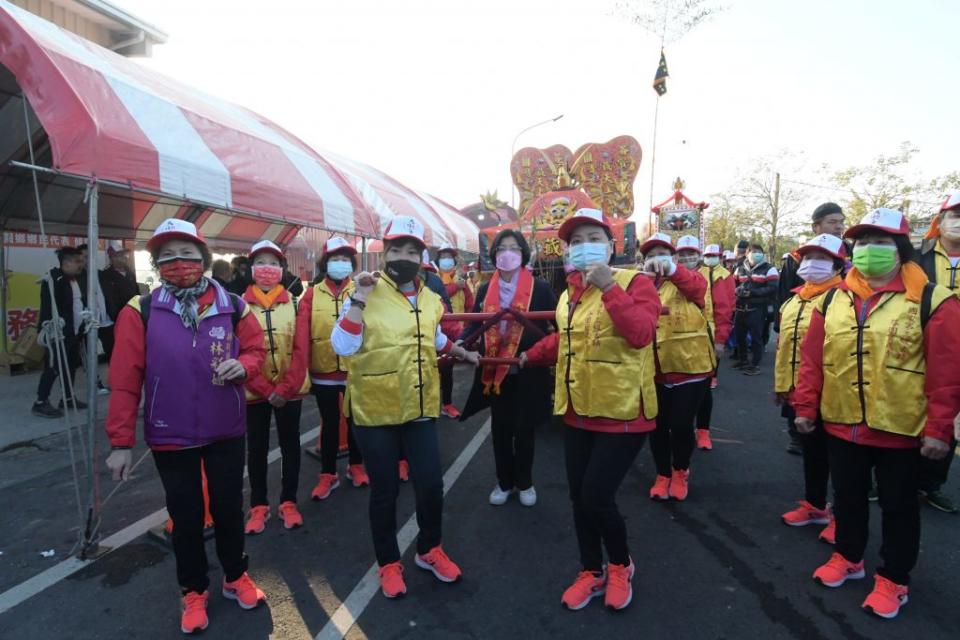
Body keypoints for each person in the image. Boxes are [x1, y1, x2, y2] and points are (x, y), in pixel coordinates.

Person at [792, 208, 960, 620]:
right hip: (842, 421)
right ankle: (849, 556)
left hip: (902, 427)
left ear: (900, 248)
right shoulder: (832, 297)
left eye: (881, 242)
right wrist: (805, 406)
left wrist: (940, 429)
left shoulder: (935, 300)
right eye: (862, 242)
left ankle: (894, 578)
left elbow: (948, 371)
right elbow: (813, 359)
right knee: (847, 496)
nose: (869, 250)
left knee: (898, 505)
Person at [104, 219, 268, 634]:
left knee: (230, 508)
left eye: (187, 255)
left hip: (225, 428)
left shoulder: (234, 305)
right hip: (170, 432)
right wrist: (120, 442)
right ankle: (193, 590)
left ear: (204, 259)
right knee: (187, 515)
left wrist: (244, 366)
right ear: (157, 264)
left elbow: (255, 349)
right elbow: (125, 378)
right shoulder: (139, 310)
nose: (179, 264)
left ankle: (235, 576)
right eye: (168, 257)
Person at [331, 216, 479, 599]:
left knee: (431, 484)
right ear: (385, 253)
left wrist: (458, 350)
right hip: (375, 410)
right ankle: (388, 562)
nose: (403, 256)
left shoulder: (431, 298)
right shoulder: (362, 290)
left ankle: (429, 548)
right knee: (385, 492)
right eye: (396, 249)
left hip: (419, 406)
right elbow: (342, 347)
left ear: (421, 255)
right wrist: (360, 299)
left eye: (412, 250)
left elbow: (434, 335)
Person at [521, 208, 661, 611]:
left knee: (597, 495)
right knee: (578, 498)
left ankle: (619, 565)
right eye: (575, 241)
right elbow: (567, 341)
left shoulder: (637, 283)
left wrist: (609, 288)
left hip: (624, 411)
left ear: (612, 246)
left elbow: (640, 334)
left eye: (592, 239)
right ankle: (590, 569)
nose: (584, 247)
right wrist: (531, 355)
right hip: (578, 408)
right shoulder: (569, 294)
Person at [460, 229, 556, 507]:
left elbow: (554, 328)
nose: (508, 253)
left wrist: (539, 352)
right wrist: (461, 344)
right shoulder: (482, 289)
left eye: (514, 248)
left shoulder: (540, 288)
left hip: (527, 369)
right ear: (494, 255)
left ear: (523, 254)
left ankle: (524, 482)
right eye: (502, 248)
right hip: (494, 372)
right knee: (500, 431)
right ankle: (504, 482)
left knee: (525, 430)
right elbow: (474, 325)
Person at [774, 234, 846, 545]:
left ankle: (843, 516)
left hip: (834, 393)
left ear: (838, 265)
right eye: (807, 258)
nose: (811, 264)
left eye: (821, 258)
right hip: (798, 392)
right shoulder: (793, 300)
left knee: (842, 462)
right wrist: (781, 386)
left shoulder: (845, 300)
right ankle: (815, 505)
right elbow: (783, 347)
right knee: (812, 453)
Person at [242, 240, 311, 534]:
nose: (267, 268)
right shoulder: (237, 306)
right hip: (253, 392)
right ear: (251, 268)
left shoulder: (296, 302)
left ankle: (289, 501)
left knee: (290, 446)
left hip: (290, 391)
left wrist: (283, 389)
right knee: (256, 449)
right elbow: (238, 351)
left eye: (273, 262)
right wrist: (263, 388)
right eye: (261, 262)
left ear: (282, 268)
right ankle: (258, 505)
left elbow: (301, 350)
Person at [641, 234, 716, 501]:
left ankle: (680, 470)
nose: (656, 259)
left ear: (673, 258)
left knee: (681, 424)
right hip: (654, 368)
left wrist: (672, 270)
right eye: (651, 255)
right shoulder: (641, 285)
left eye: (663, 253)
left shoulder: (691, 280)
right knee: (657, 426)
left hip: (690, 366)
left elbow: (696, 288)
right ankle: (662, 474)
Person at [299, 237, 368, 501]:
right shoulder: (311, 294)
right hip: (323, 370)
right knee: (329, 423)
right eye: (335, 259)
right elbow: (302, 333)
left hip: (355, 369)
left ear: (352, 264)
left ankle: (356, 465)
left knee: (355, 421)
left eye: (345, 259)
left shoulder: (361, 290)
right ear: (325, 263)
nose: (340, 264)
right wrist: (303, 371)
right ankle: (328, 474)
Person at [915, 190, 960, 513]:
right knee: (909, 407)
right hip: (920, 346)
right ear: (939, 221)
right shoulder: (920, 258)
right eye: (954, 215)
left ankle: (931, 483)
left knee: (949, 419)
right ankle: (886, 475)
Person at [32, 246, 87, 418]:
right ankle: (40, 402)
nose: (81, 264)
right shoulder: (53, 279)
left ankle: (68, 398)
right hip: (58, 332)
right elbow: (48, 307)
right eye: (78, 261)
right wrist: (50, 328)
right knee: (53, 366)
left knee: (70, 366)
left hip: (74, 331)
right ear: (67, 262)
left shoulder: (74, 279)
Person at [692, 242, 735, 450]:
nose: (686, 258)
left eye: (691, 254)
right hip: (674, 341)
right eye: (682, 254)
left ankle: (703, 431)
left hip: (705, 333)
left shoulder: (723, 275)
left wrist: (720, 339)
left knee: (703, 387)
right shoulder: (680, 274)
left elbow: (725, 309)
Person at [779, 203, 847, 306]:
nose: (839, 227)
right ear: (815, 227)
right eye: (832, 222)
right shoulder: (796, 257)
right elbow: (783, 296)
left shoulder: (853, 251)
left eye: (841, 222)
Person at [435, 243, 475, 419]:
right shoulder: (433, 278)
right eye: (443, 256)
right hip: (435, 329)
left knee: (447, 369)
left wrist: (469, 328)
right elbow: (438, 294)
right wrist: (455, 287)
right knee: (431, 368)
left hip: (456, 331)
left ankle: (447, 404)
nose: (446, 260)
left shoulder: (461, 280)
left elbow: (470, 304)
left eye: (449, 256)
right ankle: (430, 404)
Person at [733, 243, 778, 375]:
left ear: (763, 254)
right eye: (753, 251)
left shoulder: (770, 269)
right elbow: (733, 284)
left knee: (756, 338)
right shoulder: (740, 269)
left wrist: (752, 293)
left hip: (757, 309)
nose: (756, 254)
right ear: (747, 254)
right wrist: (736, 290)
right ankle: (743, 361)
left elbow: (773, 288)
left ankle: (755, 365)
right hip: (740, 309)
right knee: (739, 337)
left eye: (759, 252)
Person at [99, 242, 140, 364]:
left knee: (131, 350)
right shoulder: (105, 275)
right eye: (118, 255)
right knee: (116, 353)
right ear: (111, 258)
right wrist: (117, 317)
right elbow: (107, 300)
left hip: (133, 317)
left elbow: (136, 294)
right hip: (114, 321)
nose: (123, 258)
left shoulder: (130, 273)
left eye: (124, 255)